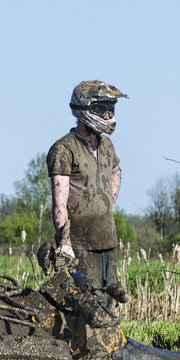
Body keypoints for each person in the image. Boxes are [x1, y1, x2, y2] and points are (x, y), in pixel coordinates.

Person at [46, 80, 126, 293]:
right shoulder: (64, 149)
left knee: (108, 301)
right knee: (85, 303)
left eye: (111, 108)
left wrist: (109, 204)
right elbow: (59, 202)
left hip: (107, 240)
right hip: (79, 245)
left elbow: (116, 171)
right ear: (84, 108)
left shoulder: (107, 145)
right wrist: (65, 243)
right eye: (101, 108)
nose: (108, 114)